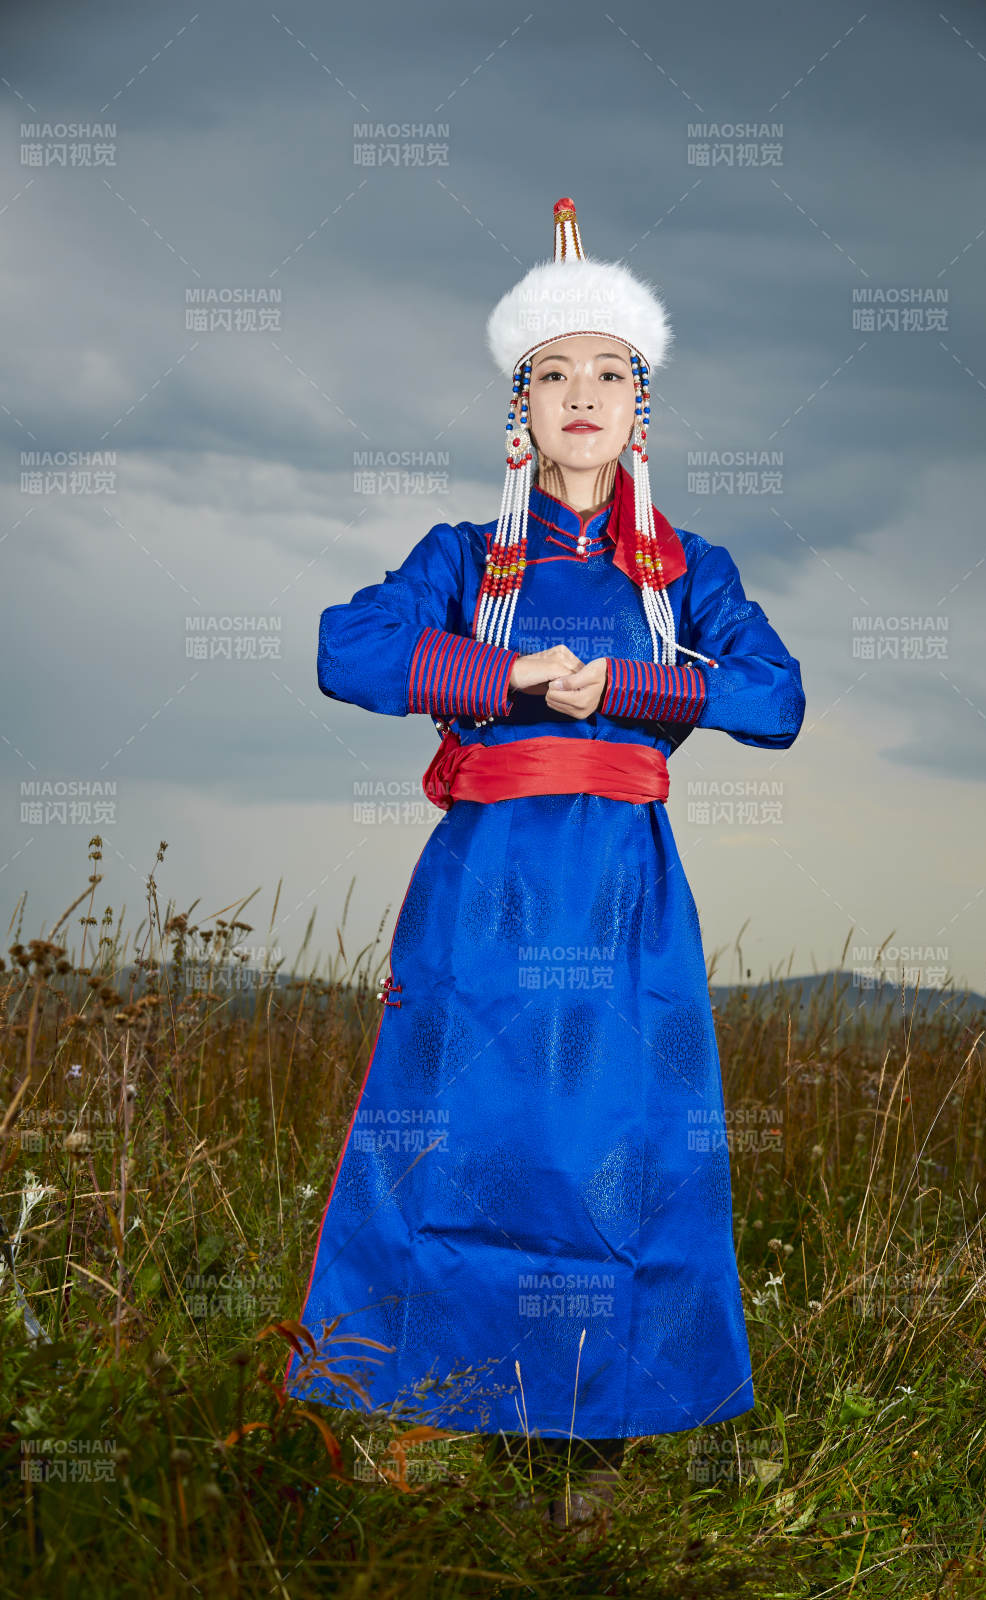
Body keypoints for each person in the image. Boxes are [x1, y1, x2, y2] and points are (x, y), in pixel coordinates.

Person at [284, 198, 806, 1538]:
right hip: (483, 892)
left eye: (611, 372)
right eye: (554, 373)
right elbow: (347, 650)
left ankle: (605, 1440)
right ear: (520, 409)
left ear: (646, 406)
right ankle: (429, 1408)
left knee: (620, 1149)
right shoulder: (465, 561)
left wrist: (621, 686)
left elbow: (776, 695)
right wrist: (509, 672)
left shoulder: (687, 572)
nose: (585, 395)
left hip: (626, 897)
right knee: (450, 1137)